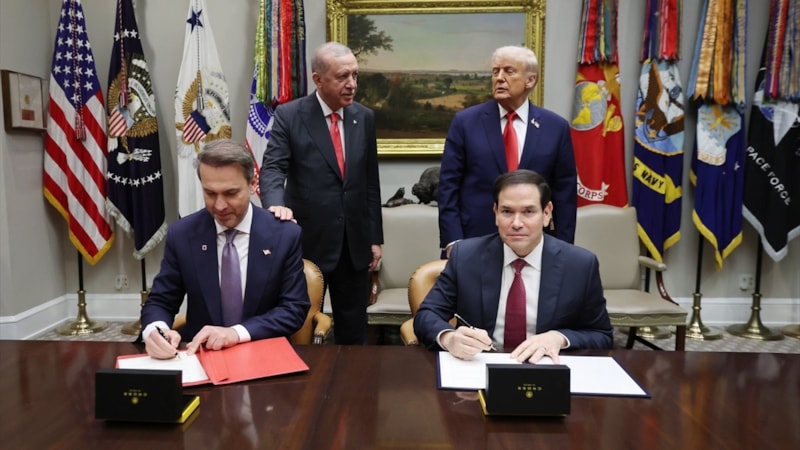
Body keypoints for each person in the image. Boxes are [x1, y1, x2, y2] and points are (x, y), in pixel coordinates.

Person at [414, 170, 612, 364]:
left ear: (546, 213)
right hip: (480, 366)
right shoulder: (465, 256)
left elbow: (602, 335)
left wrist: (559, 338)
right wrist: (449, 338)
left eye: (528, 212)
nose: (516, 223)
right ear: (496, 213)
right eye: (507, 212)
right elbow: (426, 315)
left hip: (546, 367)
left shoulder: (580, 264)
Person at [259, 42, 383, 345]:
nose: (352, 84)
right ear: (318, 79)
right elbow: (273, 169)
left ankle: (353, 378)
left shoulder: (364, 117)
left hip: (353, 245)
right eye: (342, 76)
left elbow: (370, 183)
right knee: (299, 328)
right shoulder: (291, 115)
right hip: (307, 241)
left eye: (355, 75)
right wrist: (275, 206)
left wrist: (374, 238)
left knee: (354, 334)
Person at [141, 139, 310, 359]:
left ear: (252, 184)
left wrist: (235, 333)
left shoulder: (284, 235)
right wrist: (156, 330)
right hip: (203, 356)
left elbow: (293, 309)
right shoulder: (183, 234)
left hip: (264, 355)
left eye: (230, 193)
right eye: (210, 193)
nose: (219, 206)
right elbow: (161, 300)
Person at [438, 45, 577, 256]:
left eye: (509, 71)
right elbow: (448, 186)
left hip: (534, 246)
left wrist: (563, 249)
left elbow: (565, 194)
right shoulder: (466, 122)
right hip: (473, 243)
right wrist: (453, 241)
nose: (499, 78)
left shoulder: (555, 127)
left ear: (530, 80)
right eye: (495, 72)